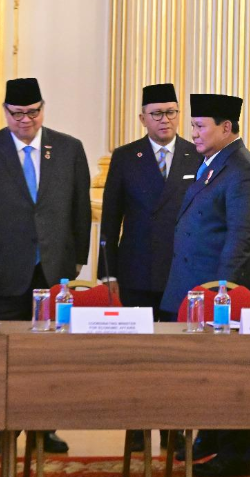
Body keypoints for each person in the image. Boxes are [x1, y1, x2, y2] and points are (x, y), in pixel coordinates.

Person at [0, 77, 91, 453]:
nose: (25, 120)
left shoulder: (68, 148)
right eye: (17, 114)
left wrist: (79, 257)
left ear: (42, 109)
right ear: (5, 112)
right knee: (6, 353)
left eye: (33, 112)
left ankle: (44, 428)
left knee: (49, 354)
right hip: (2, 269)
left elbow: (80, 208)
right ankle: (4, 432)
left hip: (53, 267)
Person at [161, 94, 250, 477]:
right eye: (193, 125)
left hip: (223, 297)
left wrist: (221, 296)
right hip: (195, 291)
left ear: (226, 128)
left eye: (200, 126)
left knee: (232, 377)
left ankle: (234, 458)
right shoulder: (213, 163)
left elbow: (240, 239)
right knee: (207, 375)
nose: (193, 133)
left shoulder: (244, 171)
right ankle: (212, 439)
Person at [98, 83, 196, 452]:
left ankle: (174, 431)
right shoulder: (126, 157)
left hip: (180, 270)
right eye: (157, 114)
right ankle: (137, 429)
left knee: (176, 357)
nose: (165, 119)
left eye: (171, 112)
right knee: (137, 354)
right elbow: (111, 218)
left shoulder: (195, 154)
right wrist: (107, 272)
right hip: (136, 270)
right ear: (143, 118)